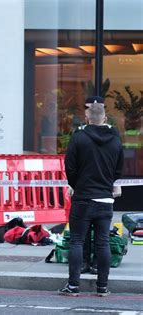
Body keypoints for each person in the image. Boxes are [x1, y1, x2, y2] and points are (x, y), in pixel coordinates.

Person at [59, 96, 124, 297]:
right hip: (105, 199)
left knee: (77, 241)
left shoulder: (79, 137)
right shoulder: (115, 138)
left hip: (83, 198)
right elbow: (119, 169)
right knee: (103, 243)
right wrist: (107, 184)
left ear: (87, 117)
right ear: (105, 117)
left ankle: (73, 286)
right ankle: (102, 287)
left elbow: (69, 166)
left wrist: (76, 185)